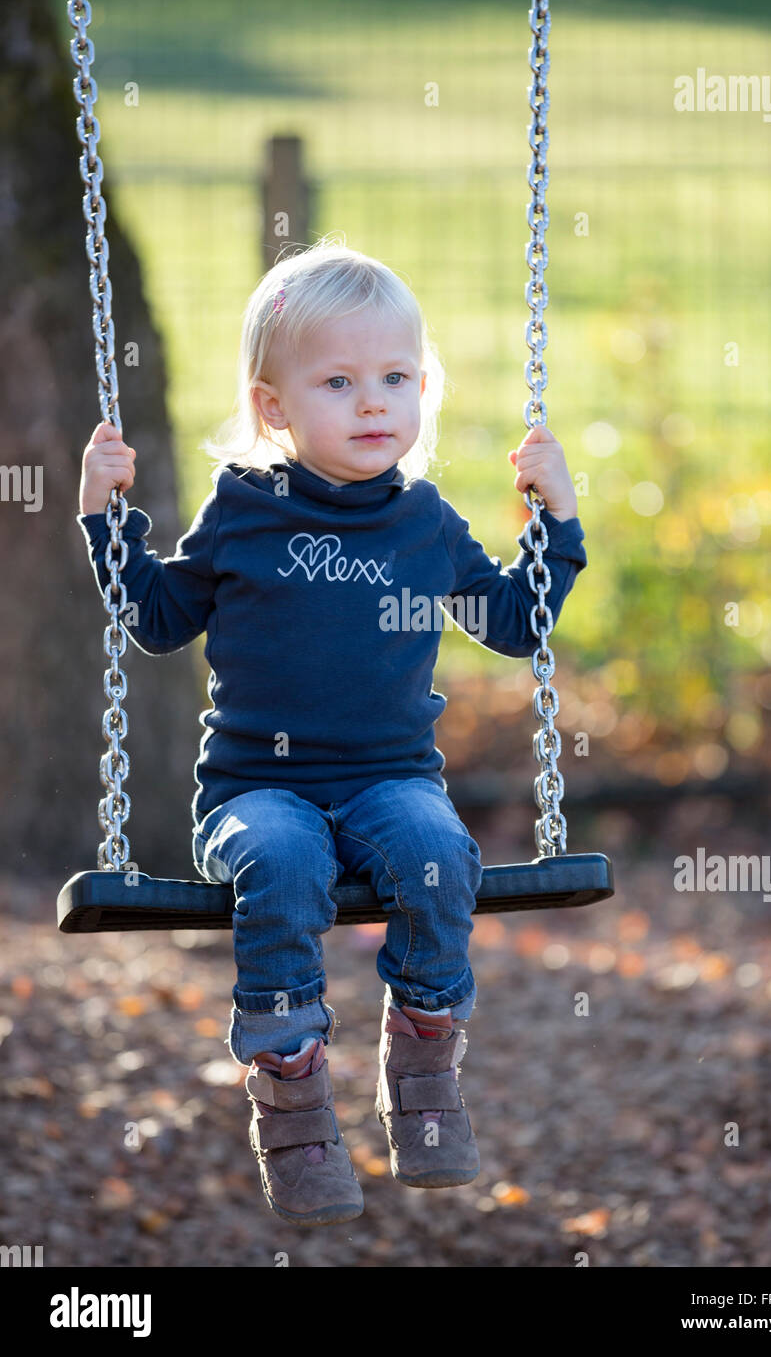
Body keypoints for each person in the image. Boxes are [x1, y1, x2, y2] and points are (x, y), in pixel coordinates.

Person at [76, 235, 587, 1226]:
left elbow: (514, 624)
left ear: (422, 389)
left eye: (395, 378)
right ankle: (294, 1100)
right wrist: (106, 520)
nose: (371, 403)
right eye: (339, 381)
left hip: (389, 781)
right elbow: (157, 616)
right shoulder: (243, 510)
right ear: (274, 407)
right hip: (255, 792)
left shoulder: (425, 523)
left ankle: (425, 1066)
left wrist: (554, 525)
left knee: (439, 851)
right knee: (281, 857)